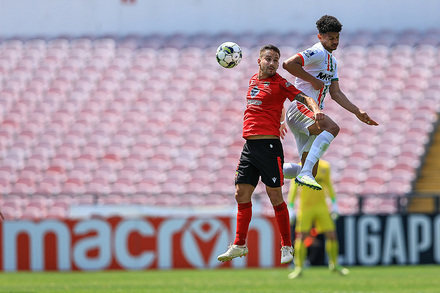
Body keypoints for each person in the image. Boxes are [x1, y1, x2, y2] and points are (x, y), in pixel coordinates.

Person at [217, 44, 325, 264]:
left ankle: (286, 246)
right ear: (259, 61)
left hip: (269, 146)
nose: (273, 63)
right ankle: (239, 244)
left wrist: (316, 110)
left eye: (276, 60)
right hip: (249, 147)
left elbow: (301, 97)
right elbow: (272, 102)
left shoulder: (280, 83)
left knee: (274, 196)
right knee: (240, 194)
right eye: (269, 59)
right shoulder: (252, 81)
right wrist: (282, 117)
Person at [282, 15, 378, 190]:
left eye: (337, 38)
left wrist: (358, 111)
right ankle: (304, 173)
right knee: (332, 128)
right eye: (331, 38)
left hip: (310, 114)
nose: (335, 41)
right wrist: (312, 80)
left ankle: (269, 170)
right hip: (301, 108)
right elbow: (288, 64)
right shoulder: (317, 52)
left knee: (311, 170)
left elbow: (336, 93)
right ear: (320, 37)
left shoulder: (332, 62)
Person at [284, 159, 349, 278]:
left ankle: (334, 264)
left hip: (321, 207)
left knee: (332, 235)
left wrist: (334, 204)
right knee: (301, 237)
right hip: (305, 208)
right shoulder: (299, 167)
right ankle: (298, 267)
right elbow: (294, 189)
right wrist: (291, 207)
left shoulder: (325, 166)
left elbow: (329, 186)